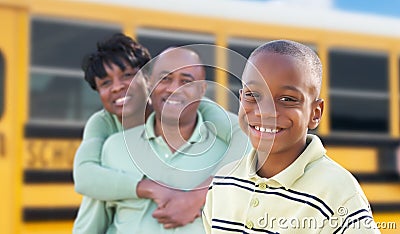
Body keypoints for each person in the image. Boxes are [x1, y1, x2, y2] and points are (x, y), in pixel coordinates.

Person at [73, 35, 248, 233]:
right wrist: (148, 188)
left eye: (127, 75)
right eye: (105, 83)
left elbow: (249, 142)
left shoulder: (201, 113)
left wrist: (197, 197)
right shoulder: (106, 133)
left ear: (146, 79)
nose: (118, 87)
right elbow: (86, 177)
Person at [202, 40, 379, 233]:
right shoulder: (223, 181)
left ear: (315, 113)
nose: (266, 112)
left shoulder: (338, 193)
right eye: (253, 95)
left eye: (287, 99)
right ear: (241, 97)